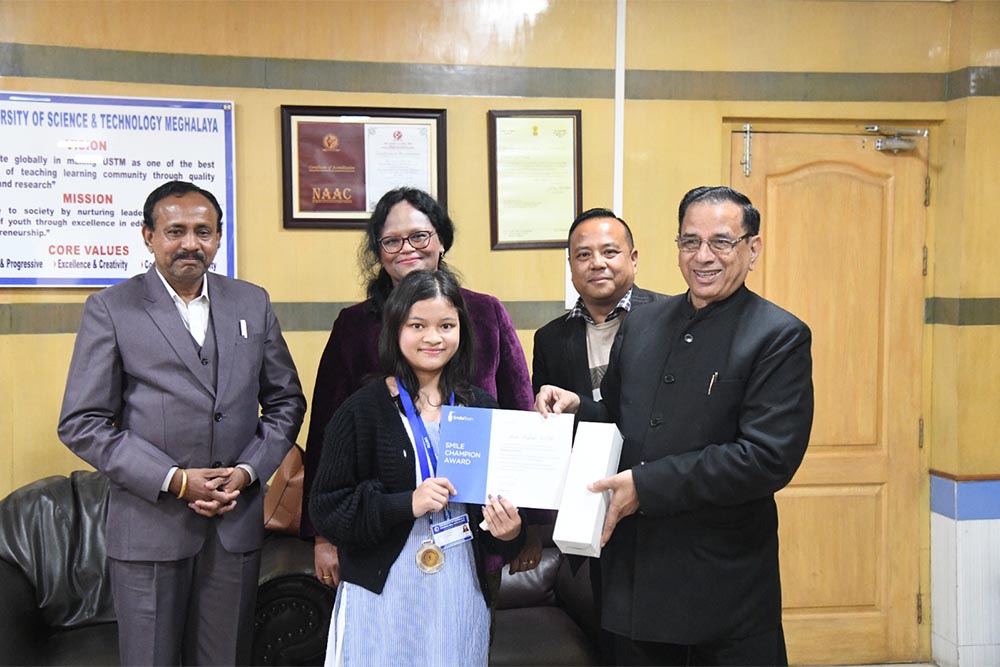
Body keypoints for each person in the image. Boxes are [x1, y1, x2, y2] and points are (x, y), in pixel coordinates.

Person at [536, 186, 814, 666]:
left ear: (753, 249)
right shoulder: (642, 325)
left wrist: (646, 484)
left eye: (722, 242)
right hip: (636, 577)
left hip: (724, 586)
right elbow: (621, 422)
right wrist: (577, 407)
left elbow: (766, 459)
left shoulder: (778, 335)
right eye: (690, 242)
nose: (703, 256)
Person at [58, 180, 306, 665]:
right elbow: (82, 421)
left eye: (203, 231)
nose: (190, 243)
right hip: (150, 528)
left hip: (234, 525)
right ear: (148, 236)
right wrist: (175, 481)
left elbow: (286, 402)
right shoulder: (111, 309)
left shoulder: (251, 303)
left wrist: (247, 471)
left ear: (218, 238)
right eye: (175, 231)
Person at [302, 187, 536, 588]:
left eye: (419, 235)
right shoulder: (354, 325)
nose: (406, 248)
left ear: (441, 239)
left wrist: (530, 527)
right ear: (378, 251)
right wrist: (323, 535)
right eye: (391, 240)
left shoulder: (484, 311)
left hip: (475, 531)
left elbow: (520, 417)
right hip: (380, 536)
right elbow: (326, 431)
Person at [309, 269, 524, 666]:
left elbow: (496, 519)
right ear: (395, 330)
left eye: (446, 325)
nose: (433, 337)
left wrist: (509, 532)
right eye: (418, 325)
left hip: (458, 591)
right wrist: (405, 503)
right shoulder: (362, 409)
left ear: (462, 330)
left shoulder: (480, 408)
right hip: (383, 593)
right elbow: (327, 508)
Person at [531, 207, 664, 663]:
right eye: (582, 254)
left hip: (660, 499)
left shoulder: (672, 320)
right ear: (570, 267)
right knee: (613, 637)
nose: (597, 263)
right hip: (590, 505)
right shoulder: (550, 338)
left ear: (634, 257)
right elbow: (549, 432)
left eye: (610, 251)